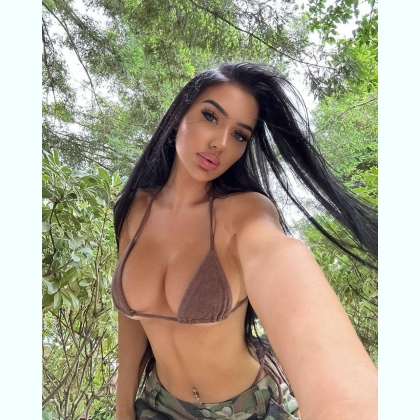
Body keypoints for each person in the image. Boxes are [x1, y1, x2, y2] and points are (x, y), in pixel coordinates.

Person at [111, 62, 378, 420]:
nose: (220, 143)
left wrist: (348, 404)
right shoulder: (134, 209)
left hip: (247, 410)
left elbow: (281, 261)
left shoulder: (246, 213)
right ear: (177, 116)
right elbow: (131, 317)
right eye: (210, 116)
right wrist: (123, 406)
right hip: (158, 405)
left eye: (239, 135)